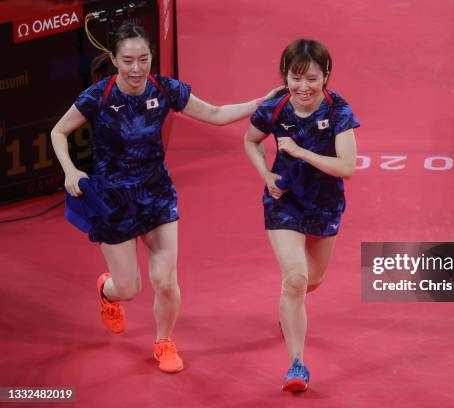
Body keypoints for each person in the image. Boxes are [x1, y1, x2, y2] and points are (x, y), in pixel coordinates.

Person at [51, 22, 279, 373]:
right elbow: (58, 132)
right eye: (128, 60)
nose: (137, 68)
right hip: (112, 202)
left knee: (166, 282)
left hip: (156, 196)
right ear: (113, 59)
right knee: (128, 287)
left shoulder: (165, 89)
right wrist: (69, 170)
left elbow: (216, 115)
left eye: (144, 58)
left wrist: (259, 103)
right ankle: (107, 293)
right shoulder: (99, 96)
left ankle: (164, 342)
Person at [244, 39, 359, 391]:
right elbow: (250, 140)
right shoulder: (276, 109)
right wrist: (265, 174)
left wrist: (300, 151)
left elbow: (347, 167)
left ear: (326, 76)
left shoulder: (338, 112)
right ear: (285, 76)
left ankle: (288, 310)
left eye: (311, 78)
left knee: (313, 280)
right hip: (285, 201)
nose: (303, 87)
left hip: (324, 205)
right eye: (296, 78)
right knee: (294, 279)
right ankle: (297, 365)